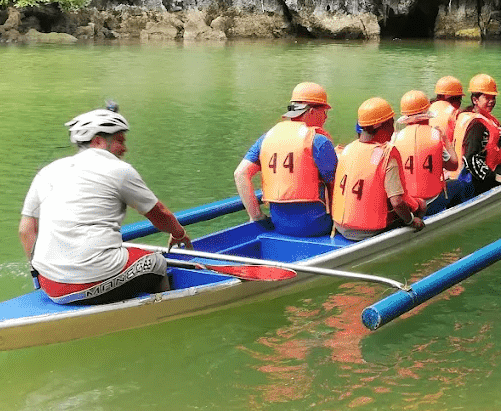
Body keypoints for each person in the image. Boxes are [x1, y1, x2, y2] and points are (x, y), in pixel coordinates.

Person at [18, 108, 191, 306]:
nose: (125, 148)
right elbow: (160, 215)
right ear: (98, 141)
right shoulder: (119, 170)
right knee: (157, 262)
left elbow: (26, 230)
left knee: (125, 252)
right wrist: (178, 234)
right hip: (91, 281)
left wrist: (37, 276)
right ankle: (165, 313)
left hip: (51, 287)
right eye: (120, 140)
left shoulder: (47, 172)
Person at [233, 82, 339, 237]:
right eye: (324, 111)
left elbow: (240, 174)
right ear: (310, 112)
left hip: (279, 224)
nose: (326, 117)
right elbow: (336, 186)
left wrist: (256, 216)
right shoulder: (318, 141)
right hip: (317, 226)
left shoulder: (268, 137)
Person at [331, 97, 425, 239]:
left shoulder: (347, 149)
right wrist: (411, 220)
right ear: (379, 126)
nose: (393, 129)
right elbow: (397, 202)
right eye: (391, 124)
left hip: (339, 225)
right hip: (367, 231)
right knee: (421, 204)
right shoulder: (387, 154)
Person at [453, 73, 501, 198]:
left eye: (493, 97)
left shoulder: (468, 115)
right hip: (476, 182)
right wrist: (495, 177)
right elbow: (471, 159)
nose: (491, 101)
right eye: (487, 97)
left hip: (463, 175)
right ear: (475, 100)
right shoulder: (477, 125)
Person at [393, 90, 458, 216]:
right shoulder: (435, 136)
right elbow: (453, 165)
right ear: (427, 115)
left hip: (408, 203)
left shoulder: (395, 138)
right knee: (459, 185)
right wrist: (446, 141)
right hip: (432, 203)